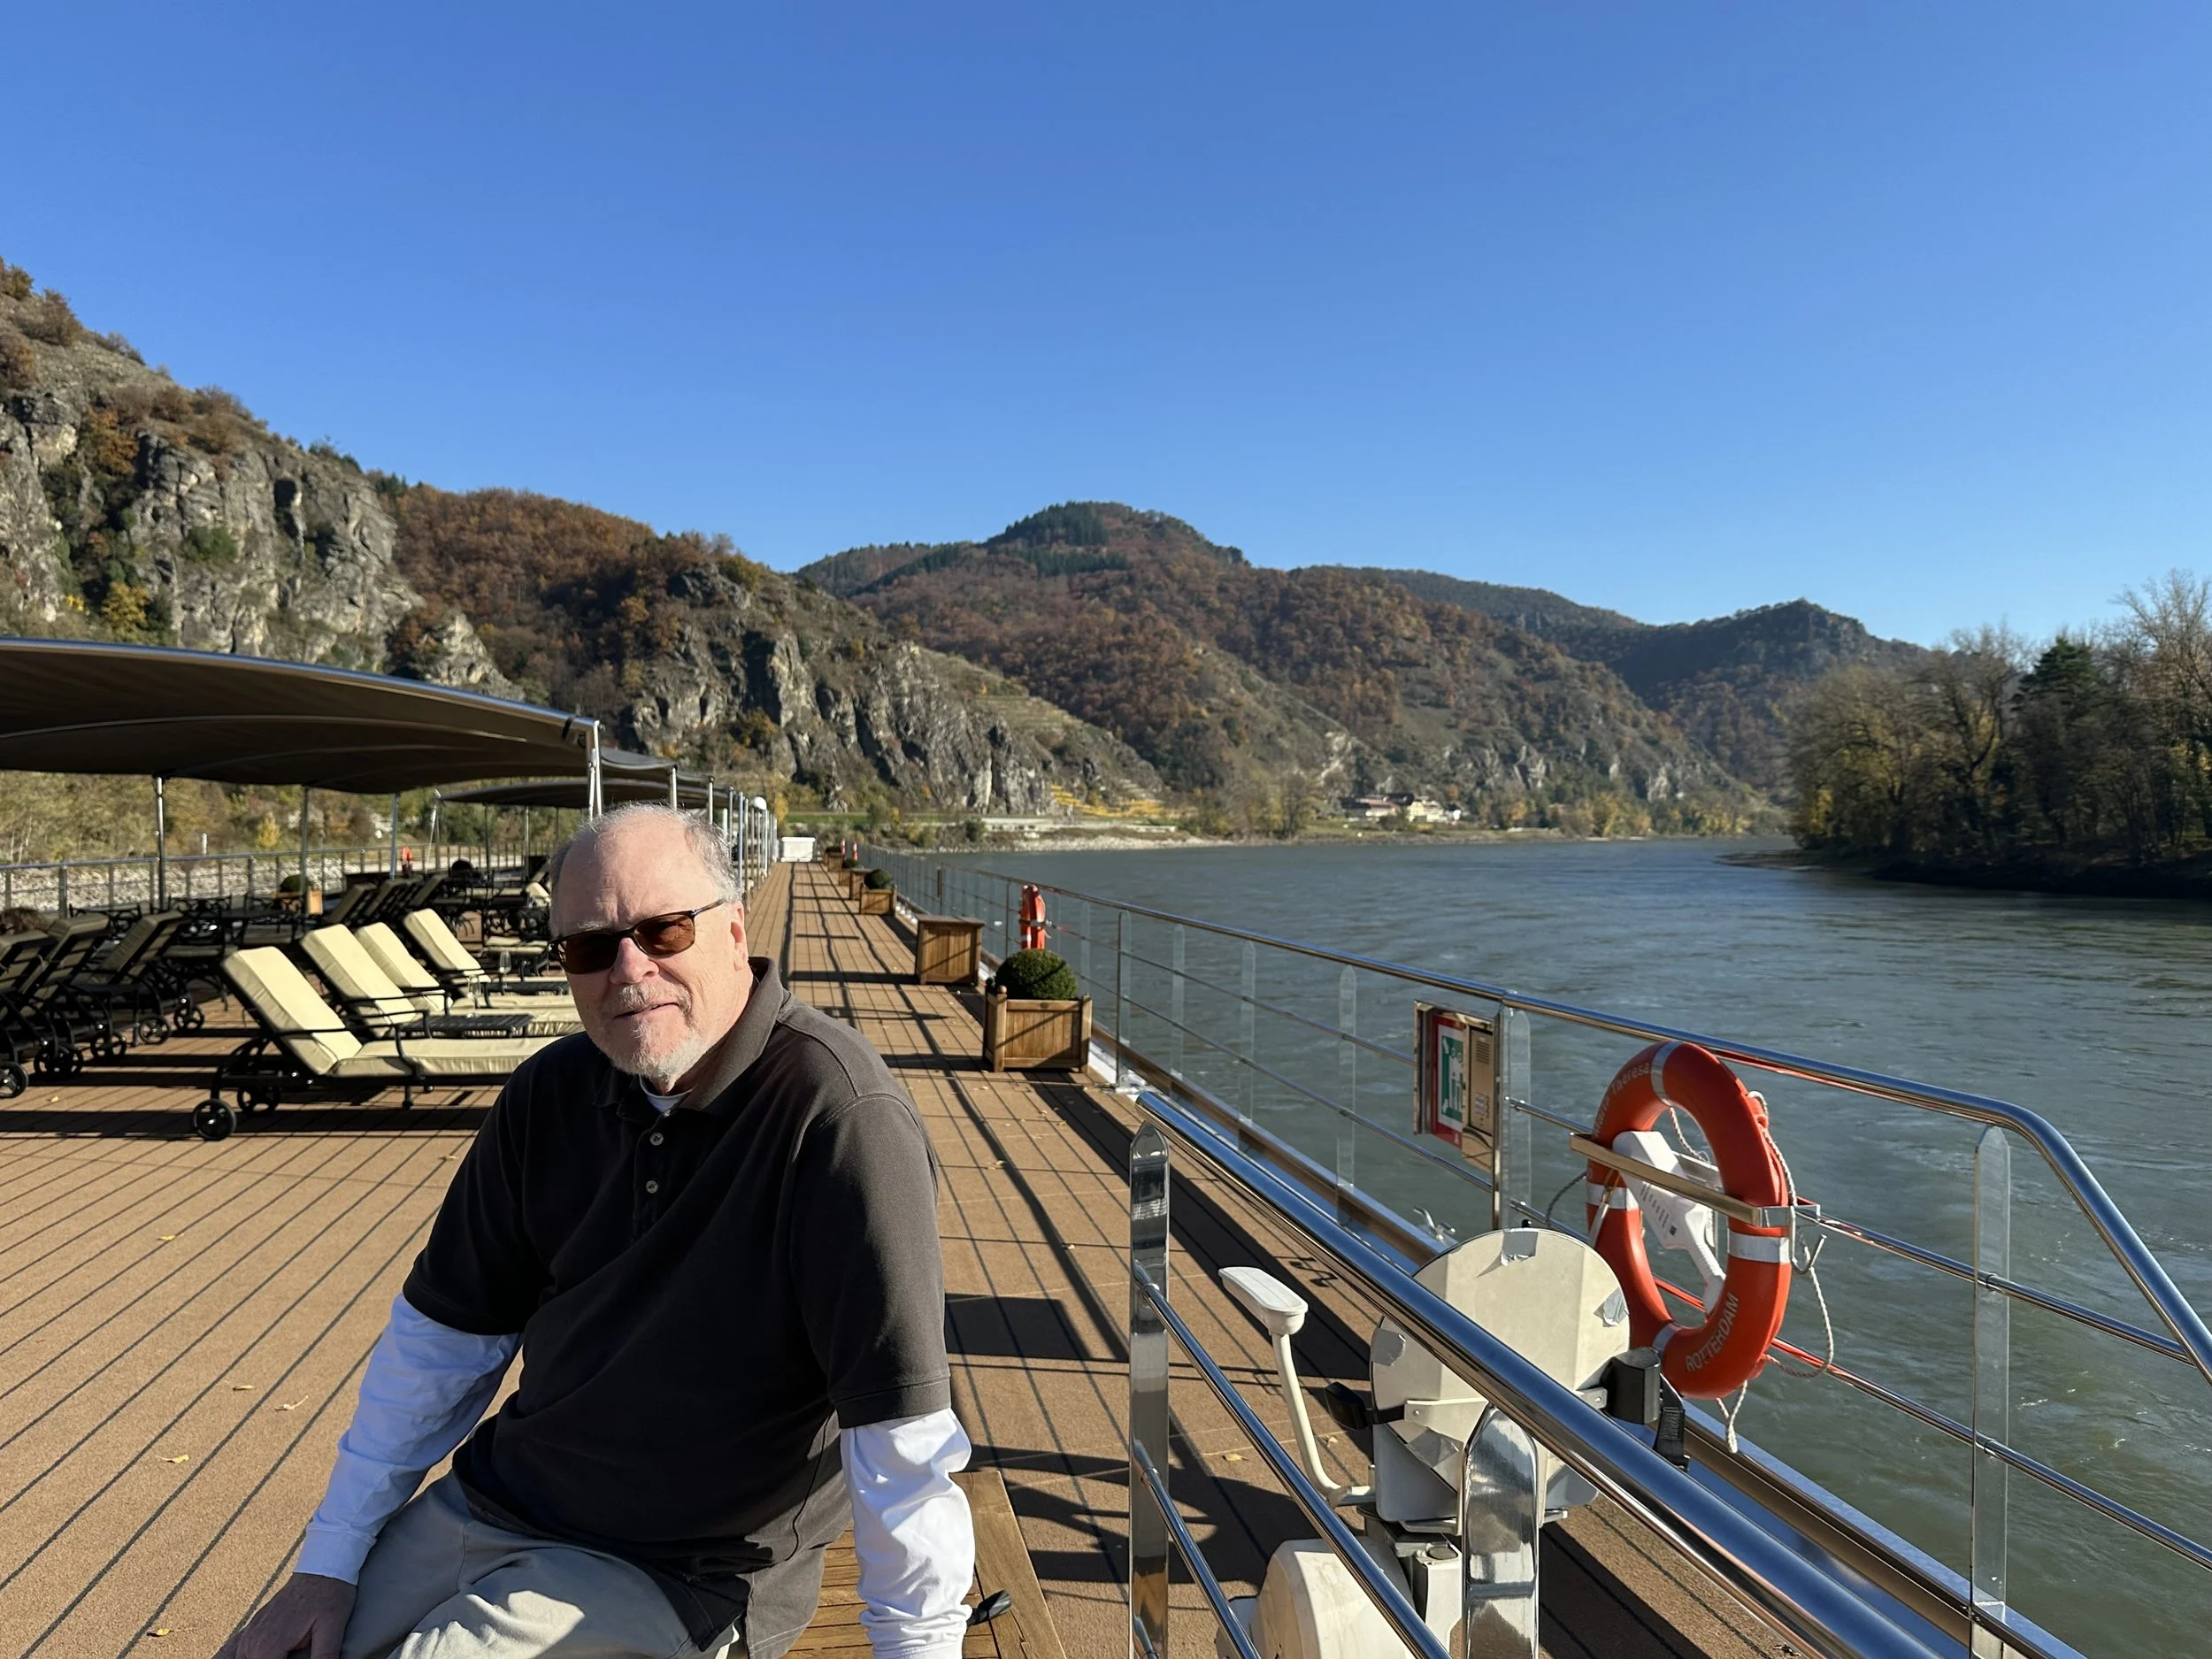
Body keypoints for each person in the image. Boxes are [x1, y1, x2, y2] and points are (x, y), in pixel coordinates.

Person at [219, 803, 973, 1659]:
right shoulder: (550, 1095)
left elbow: (900, 1439)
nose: (629, 968)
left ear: (733, 931)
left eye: (664, 929)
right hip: (496, 1504)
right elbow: (439, 1346)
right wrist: (327, 1565)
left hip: (679, 1568)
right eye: (590, 945)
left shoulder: (836, 1115)